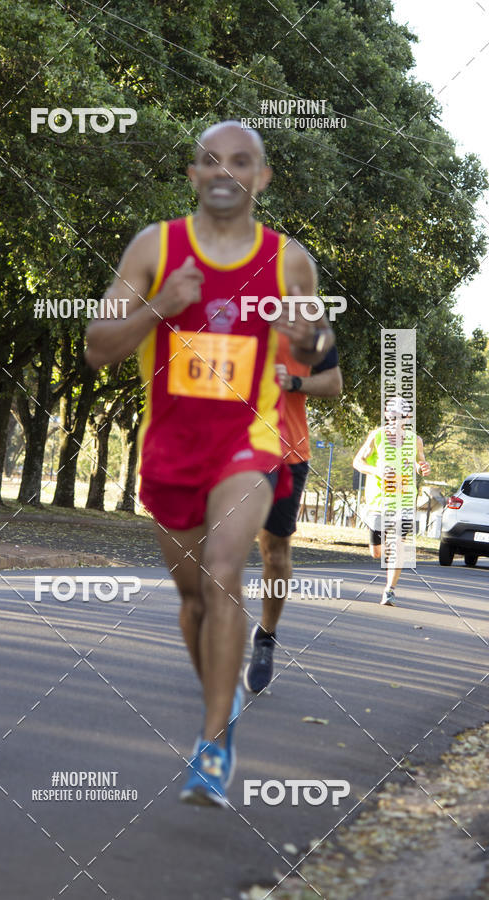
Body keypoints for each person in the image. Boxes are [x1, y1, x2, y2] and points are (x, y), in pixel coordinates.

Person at [85, 120, 334, 807]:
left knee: (227, 568)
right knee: (195, 599)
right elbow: (98, 346)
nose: (225, 172)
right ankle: (219, 707)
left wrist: (306, 340)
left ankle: (213, 743)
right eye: (211, 161)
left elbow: (315, 348)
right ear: (193, 174)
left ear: (262, 178)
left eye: (242, 161)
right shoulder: (154, 248)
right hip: (171, 447)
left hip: (249, 442)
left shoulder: (290, 261)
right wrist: (160, 307)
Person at [243, 337, 342, 693]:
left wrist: (295, 382)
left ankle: (266, 637)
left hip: (287, 453)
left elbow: (334, 382)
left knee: (275, 553)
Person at [353, 396, 430, 606]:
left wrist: (422, 467)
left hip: (404, 500)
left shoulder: (415, 440)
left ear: (408, 417)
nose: (396, 419)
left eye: (401, 416)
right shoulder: (376, 436)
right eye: (392, 415)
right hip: (378, 502)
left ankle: (389, 590)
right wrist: (376, 470)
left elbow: (419, 462)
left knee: (397, 545)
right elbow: (357, 462)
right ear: (387, 415)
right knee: (376, 552)